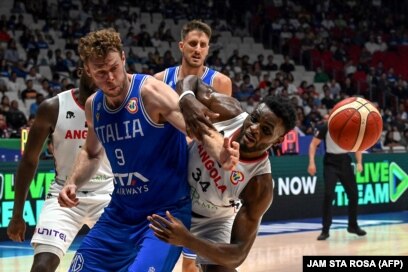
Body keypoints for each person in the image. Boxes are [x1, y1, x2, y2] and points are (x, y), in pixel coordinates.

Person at [57, 28, 238, 272]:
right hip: (120, 213)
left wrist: (222, 153)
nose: (110, 77)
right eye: (101, 72)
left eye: (113, 68)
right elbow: (91, 152)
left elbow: (197, 129)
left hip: (165, 214)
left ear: (123, 58)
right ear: (88, 71)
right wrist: (73, 182)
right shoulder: (94, 106)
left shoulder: (150, 91)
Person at [148, 75, 297, 271]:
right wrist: (187, 98)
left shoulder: (260, 184)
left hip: (212, 221)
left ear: (278, 141)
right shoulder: (230, 112)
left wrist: (188, 240)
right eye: (254, 119)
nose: (253, 128)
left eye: (266, 130)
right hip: (172, 195)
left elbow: (238, 254)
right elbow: (191, 80)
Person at [6, 68, 114, 272]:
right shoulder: (53, 107)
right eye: (94, 71)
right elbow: (28, 160)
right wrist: (17, 214)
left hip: (107, 194)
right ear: (82, 70)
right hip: (63, 195)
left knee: (126, 263)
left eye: (105, 70)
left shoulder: (115, 105)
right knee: (42, 267)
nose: (100, 76)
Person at [307, 122, 366, 240]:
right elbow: (313, 144)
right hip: (330, 162)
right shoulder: (326, 127)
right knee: (329, 195)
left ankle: (353, 225)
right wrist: (311, 162)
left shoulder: (350, 126)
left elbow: (358, 146)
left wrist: (359, 162)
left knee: (353, 194)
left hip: (345, 161)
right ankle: (325, 230)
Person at [154, 19, 231, 96]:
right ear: (181, 46)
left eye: (203, 45)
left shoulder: (221, 82)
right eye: (193, 44)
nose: (198, 50)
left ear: (207, 50)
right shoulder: (160, 80)